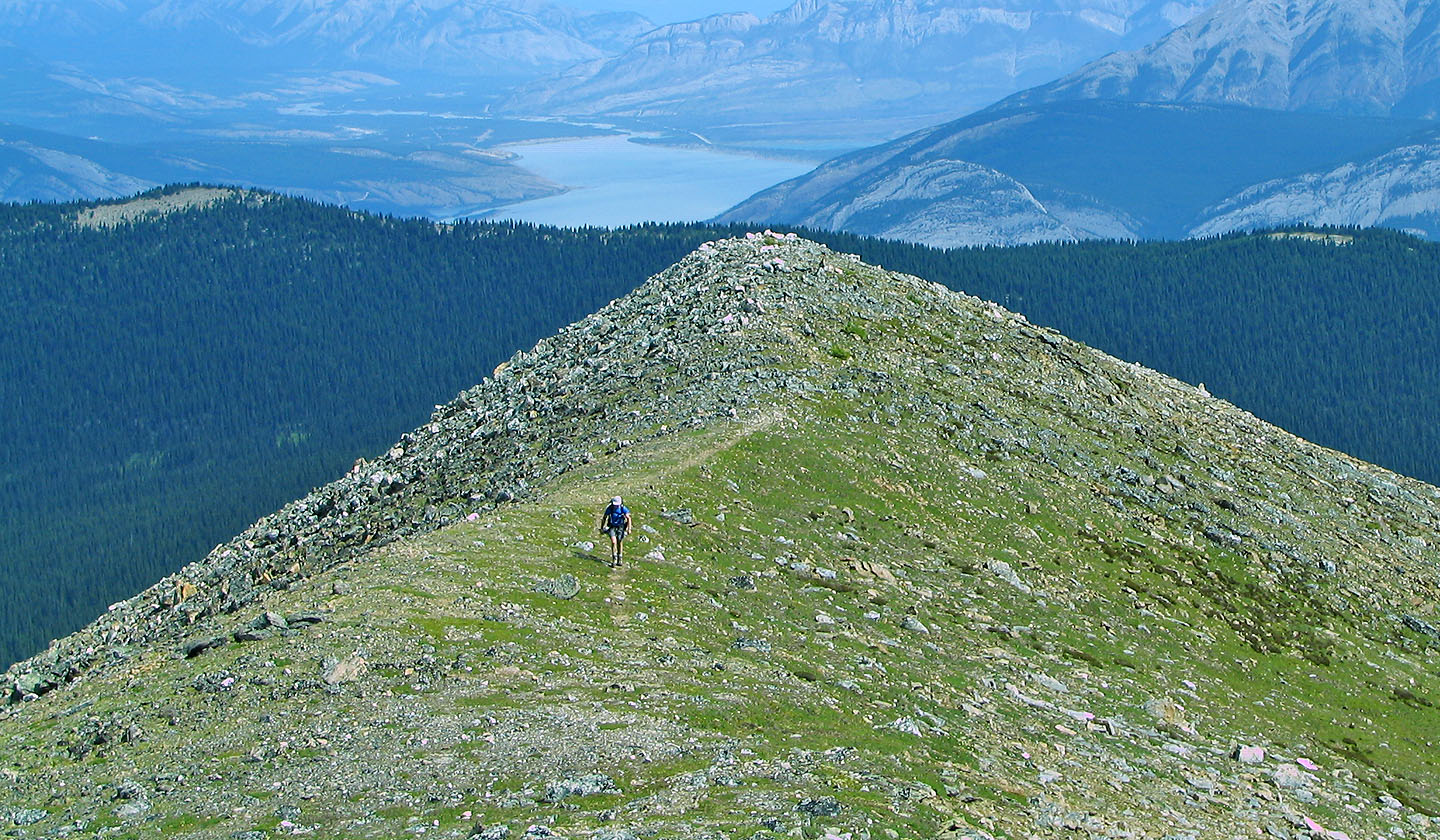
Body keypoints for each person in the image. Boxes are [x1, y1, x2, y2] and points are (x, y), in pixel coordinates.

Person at [598, 496, 631, 567]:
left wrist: (629, 528)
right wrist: (602, 527)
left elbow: (628, 518)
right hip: (612, 527)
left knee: (620, 541)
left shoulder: (623, 509)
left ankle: (620, 558)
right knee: (613, 542)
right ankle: (614, 559)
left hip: (620, 527)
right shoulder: (610, 508)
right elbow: (604, 517)